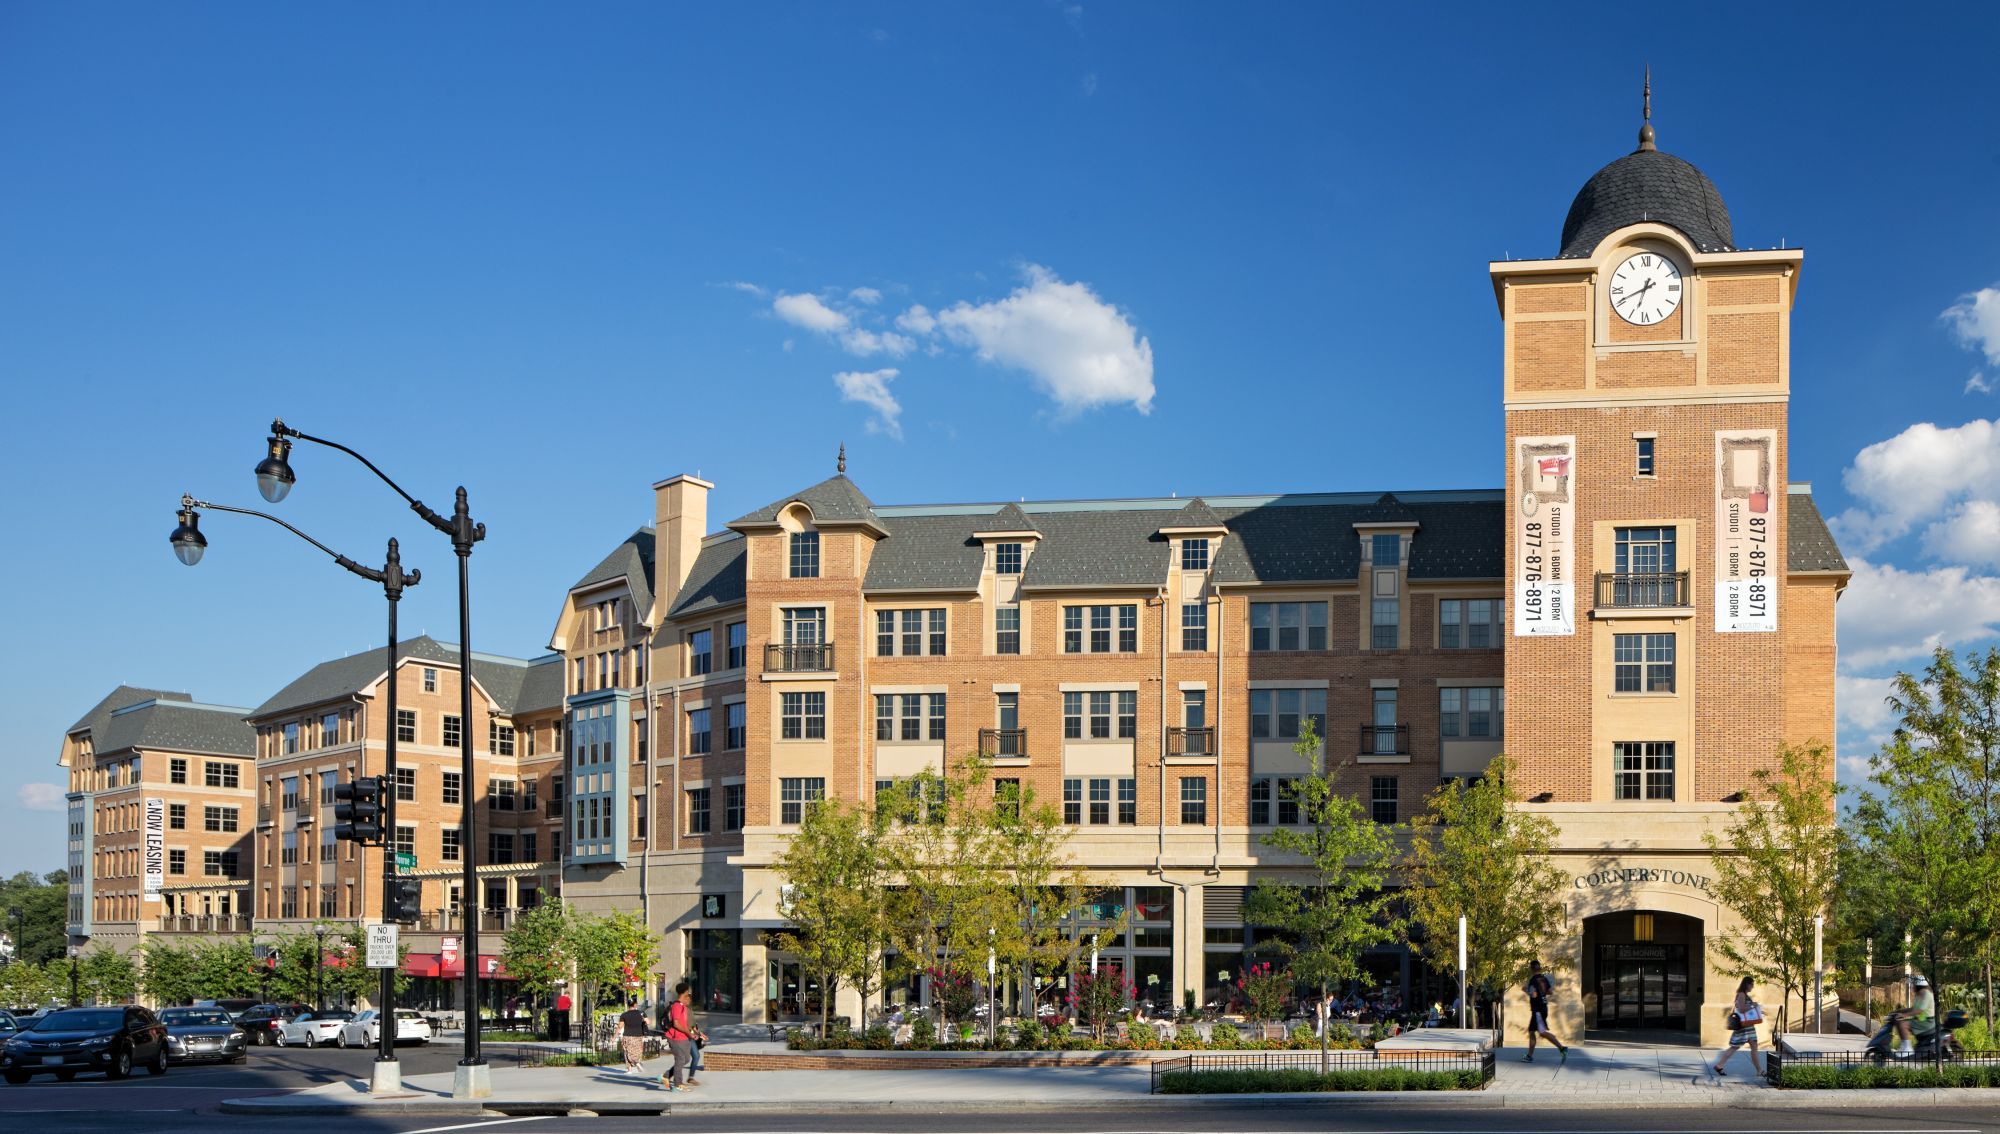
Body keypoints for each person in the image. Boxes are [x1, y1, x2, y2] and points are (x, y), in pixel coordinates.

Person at [1711, 976, 1763, 1077]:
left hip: (1749, 1026)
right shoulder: (1741, 994)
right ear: (1747, 984)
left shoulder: (1745, 995)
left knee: (1753, 1047)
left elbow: (1743, 1007)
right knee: (1734, 1047)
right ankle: (1719, 1065)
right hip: (1744, 1027)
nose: (1753, 986)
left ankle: (1759, 1070)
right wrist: (1753, 1005)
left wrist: (1753, 1004)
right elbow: (1742, 1009)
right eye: (1752, 984)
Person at [1521, 959, 1568, 1062]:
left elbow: (1533, 995)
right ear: (1540, 968)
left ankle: (1562, 1048)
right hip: (1543, 1007)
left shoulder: (1533, 980)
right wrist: (1542, 993)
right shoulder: (1544, 979)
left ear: (1531, 969)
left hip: (1537, 1010)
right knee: (1532, 1031)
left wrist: (1526, 990)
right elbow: (1550, 991)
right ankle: (1529, 1056)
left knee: (1542, 1032)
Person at [657, 982, 697, 1092]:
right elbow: (676, 1023)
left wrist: (691, 1033)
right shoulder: (676, 1006)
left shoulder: (683, 1006)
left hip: (683, 1037)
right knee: (680, 1059)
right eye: (688, 991)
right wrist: (689, 1033)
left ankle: (665, 1076)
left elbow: (684, 1023)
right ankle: (677, 1084)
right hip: (675, 1037)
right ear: (685, 991)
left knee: (686, 1059)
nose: (689, 993)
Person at [1896, 976, 1936, 1057]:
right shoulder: (1919, 994)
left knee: (1903, 1025)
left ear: (1918, 985)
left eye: (1913, 985)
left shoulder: (1926, 994)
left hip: (1927, 1022)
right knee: (1898, 1022)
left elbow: (1920, 1010)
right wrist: (1898, 1011)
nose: (1912, 986)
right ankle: (1904, 1046)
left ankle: (1908, 1049)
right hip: (1921, 1020)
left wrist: (1904, 1015)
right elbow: (1913, 1009)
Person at [617, 995, 652, 1075]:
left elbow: (620, 1026)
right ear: (635, 1004)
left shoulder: (624, 1015)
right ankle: (637, 1062)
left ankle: (630, 1069)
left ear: (629, 1004)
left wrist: (615, 1035)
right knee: (637, 1051)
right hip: (639, 1035)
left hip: (628, 1035)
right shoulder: (641, 1013)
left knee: (627, 1052)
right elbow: (648, 1022)